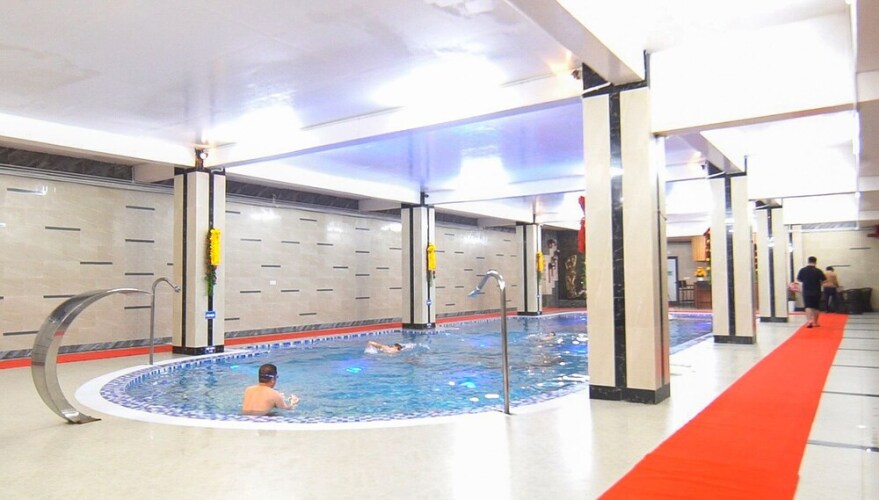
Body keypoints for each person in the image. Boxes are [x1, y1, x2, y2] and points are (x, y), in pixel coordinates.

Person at [796, 256, 827, 328]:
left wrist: (806, 281)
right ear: (815, 262)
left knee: (808, 306)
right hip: (817, 291)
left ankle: (809, 321)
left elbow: (799, 279)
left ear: (808, 261)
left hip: (806, 291)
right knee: (816, 307)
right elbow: (824, 280)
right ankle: (815, 322)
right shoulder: (818, 271)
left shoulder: (803, 270)